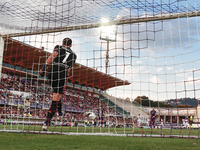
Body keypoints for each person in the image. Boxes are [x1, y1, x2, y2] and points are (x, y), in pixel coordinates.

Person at [40, 38, 77, 131]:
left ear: (63, 43)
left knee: (56, 93)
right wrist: (65, 78)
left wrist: (44, 67)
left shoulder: (58, 47)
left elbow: (53, 55)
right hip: (62, 74)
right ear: (71, 45)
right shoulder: (74, 55)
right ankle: (46, 123)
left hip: (52, 72)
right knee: (56, 96)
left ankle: (60, 113)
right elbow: (69, 69)